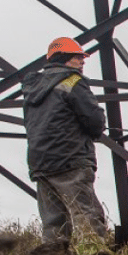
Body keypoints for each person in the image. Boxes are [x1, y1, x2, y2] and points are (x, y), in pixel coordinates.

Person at [21, 36, 108, 243]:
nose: (82, 62)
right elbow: (94, 120)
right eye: (78, 57)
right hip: (70, 160)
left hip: (40, 163)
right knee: (87, 218)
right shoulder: (73, 81)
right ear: (64, 58)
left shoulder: (32, 88)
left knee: (53, 225)